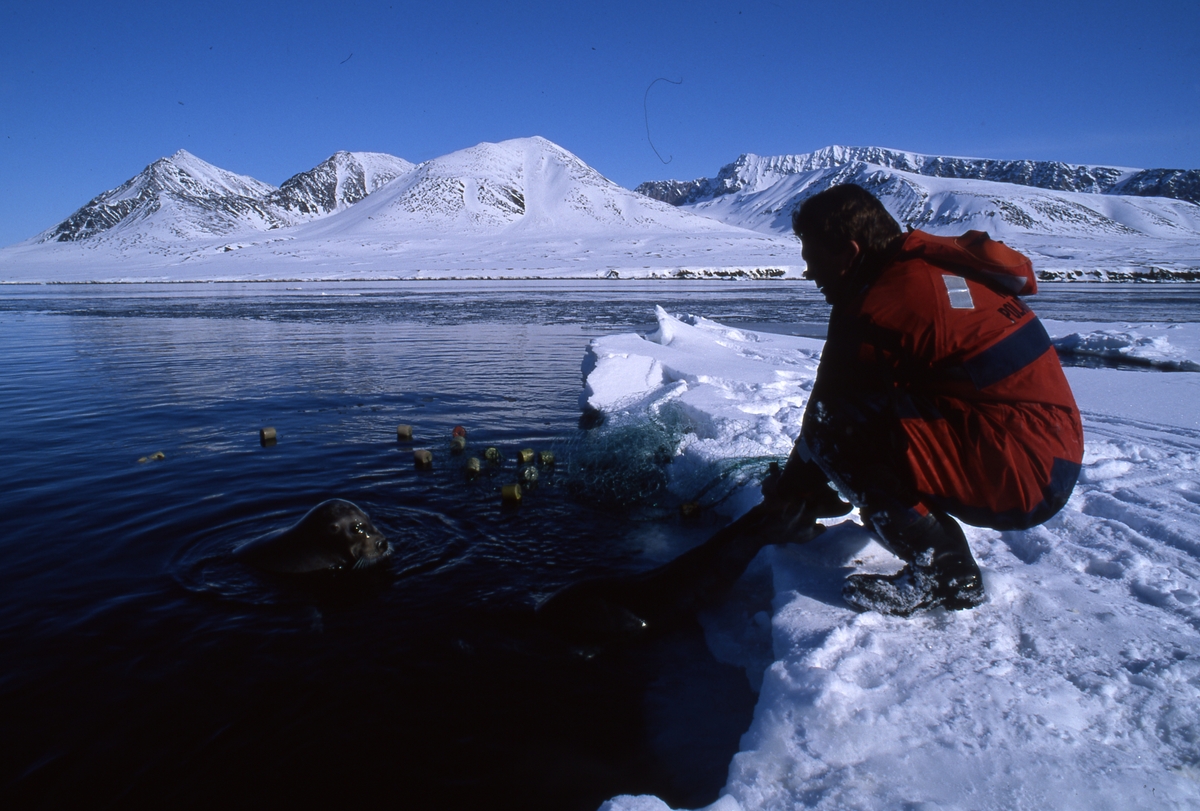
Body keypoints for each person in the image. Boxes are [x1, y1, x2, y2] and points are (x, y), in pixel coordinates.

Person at [760, 184, 1084, 616]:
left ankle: (946, 573)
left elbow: (829, 413)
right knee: (862, 416)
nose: (809, 273)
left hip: (1023, 472)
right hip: (1049, 451)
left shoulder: (883, 304)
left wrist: (791, 494)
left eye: (814, 258)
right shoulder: (923, 267)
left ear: (851, 252)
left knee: (838, 430)